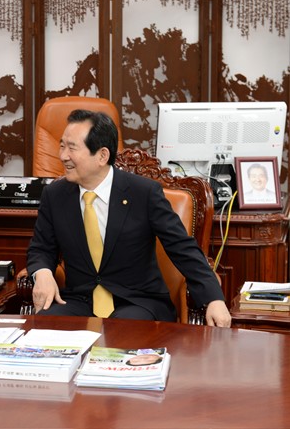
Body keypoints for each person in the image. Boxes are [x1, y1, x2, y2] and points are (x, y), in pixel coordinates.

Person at [27, 109, 231, 327]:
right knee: (42, 328)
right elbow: (41, 248)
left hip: (138, 302)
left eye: (72, 148)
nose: (63, 156)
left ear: (102, 156)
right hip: (80, 301)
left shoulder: (143, 193)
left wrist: (214, 299)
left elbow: (182, 247)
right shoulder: (55, 195)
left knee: (121, 331)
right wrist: (43, 273)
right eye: (62, 146)